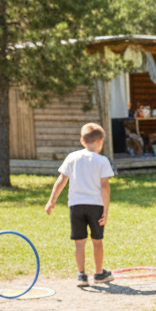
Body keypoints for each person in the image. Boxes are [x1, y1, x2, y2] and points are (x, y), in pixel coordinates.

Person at [44, 122, 115, 286]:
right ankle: (98, 273)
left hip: (76, 206)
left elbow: (61, 180)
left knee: (79, 242)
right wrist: (105, 210)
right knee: (97, 240)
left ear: (82, 141)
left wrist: (51, 201)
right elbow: (105, 186)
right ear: (100, 142)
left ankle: (82, 275)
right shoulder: (102, 160)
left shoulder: (72, 157)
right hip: (95, 206)